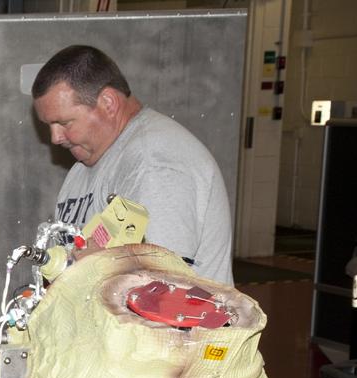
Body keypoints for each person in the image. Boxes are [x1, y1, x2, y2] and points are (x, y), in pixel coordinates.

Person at [31, 45, 234, 284]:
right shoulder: (84, 167)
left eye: (64, 123)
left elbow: (162, 287)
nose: (55, 138)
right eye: (49, 126)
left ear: (108, 103)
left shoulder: (154, 163)